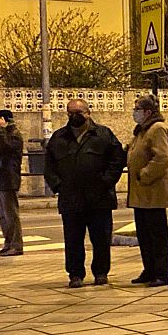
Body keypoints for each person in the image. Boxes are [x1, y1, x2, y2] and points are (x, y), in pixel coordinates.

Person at [44, 99, 125, 288]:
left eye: (79, 112)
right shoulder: (59, 137)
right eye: (70, 113)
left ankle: (101, 272)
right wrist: (59, 186)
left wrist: (106, 182)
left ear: (88, 113)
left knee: (101, 239)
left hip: (99, 198)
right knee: (73, 240)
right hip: (71, 199)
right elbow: (49, 166)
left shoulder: (103, 135)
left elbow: (117, 161)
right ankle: (75, 274)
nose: (75, 116)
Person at [127, 94, 168, 287]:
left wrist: (144, 175)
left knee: (157, 235)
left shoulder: (157, 129)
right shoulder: (141, 131)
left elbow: (161, 158)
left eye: (137, 109)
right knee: (144, 235)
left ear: (147, 112)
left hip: (152, 192)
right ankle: (150, 269)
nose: (134, 112)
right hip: (140, 193)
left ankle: (162, 273)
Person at [0, 109, 24, 257]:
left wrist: (2, 131)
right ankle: (8, 243)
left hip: (8, 179)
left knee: (11, 214)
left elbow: (6, 149)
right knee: (3, 215)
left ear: (6, 119)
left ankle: (16, 245)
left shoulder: (13, 135)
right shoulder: (1, 134)